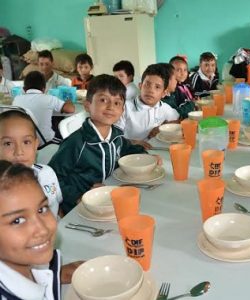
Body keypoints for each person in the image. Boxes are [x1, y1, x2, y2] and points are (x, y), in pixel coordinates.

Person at [48, 74, 147, 215]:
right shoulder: (76, 143)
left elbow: (128, 149)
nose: (111, 106)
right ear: (88, 105)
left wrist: (145, 156)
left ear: (122, 110)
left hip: (108, 200)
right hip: (81, 207)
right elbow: (52, 178)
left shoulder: (116, 136)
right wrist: (77, 197)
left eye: (117, 103)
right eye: (103, 100)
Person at [0, 160, 82, 299]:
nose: (42, 229)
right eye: (17, 220)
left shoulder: (39, 263)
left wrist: (55, 274)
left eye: (42, 209)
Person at [0, 110, 62, 217]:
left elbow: (57, 207)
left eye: (26, 142)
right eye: (8, 143)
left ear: (35, 145)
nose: (19, 152)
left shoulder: (47, 173)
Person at [116, 63, 179, 141]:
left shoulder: (164, 108)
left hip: (157, 151)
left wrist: (164, 127)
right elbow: (114, 138)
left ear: (164, 93)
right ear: (140, 86)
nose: (150, 90)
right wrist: (132, 143)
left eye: (157, 87)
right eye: (147, 85)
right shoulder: (124, 108)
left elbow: (179, 120)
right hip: (132, 152)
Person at [12, 71, 75, 144]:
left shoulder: (17, 99)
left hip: (25, 142)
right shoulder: (49, 99)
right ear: (44, 88)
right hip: (46, 141)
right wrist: (69, 100)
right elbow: (70, 109)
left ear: (24, 89)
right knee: (66, 142)